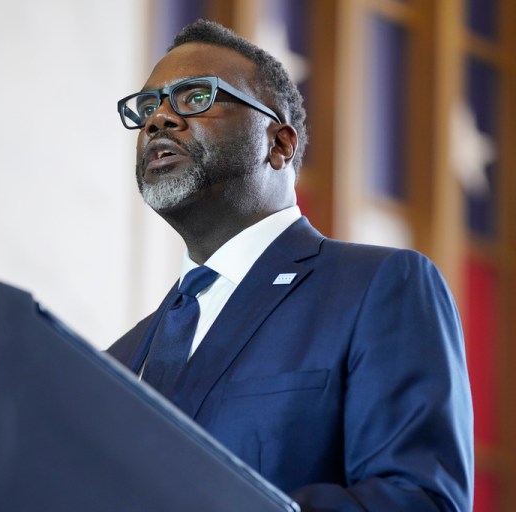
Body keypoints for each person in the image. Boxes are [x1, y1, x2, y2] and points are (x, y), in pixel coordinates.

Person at [108, 19, 473, 512]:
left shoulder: (375, 288)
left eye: (195, 98)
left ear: (278, 144)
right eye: (148, 107)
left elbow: (418, 499)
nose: (158, 120)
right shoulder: (116, 360)